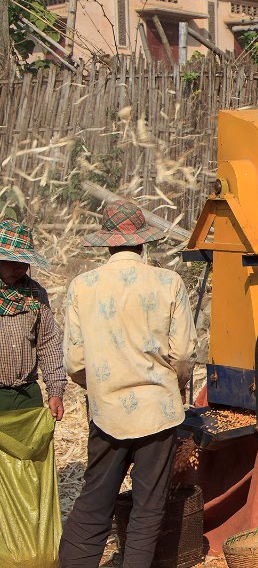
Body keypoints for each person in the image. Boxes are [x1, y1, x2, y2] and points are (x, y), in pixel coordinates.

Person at [60, 201, 198, 567]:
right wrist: (176, 386)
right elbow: (183, 353)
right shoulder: (169, 282)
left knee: (94, 503)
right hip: (159, 411)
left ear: (108, 244)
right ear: (142, 243)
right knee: (147, 510)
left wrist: (100, 389)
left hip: (107, 412)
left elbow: (75, 362)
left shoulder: (82, 286)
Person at [0, 219, 64, 417]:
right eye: (12, 261)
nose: (20, 267)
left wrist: (55, 391)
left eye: (23, 262)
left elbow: (48, 344)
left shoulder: (35, 293)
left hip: (27, 395)